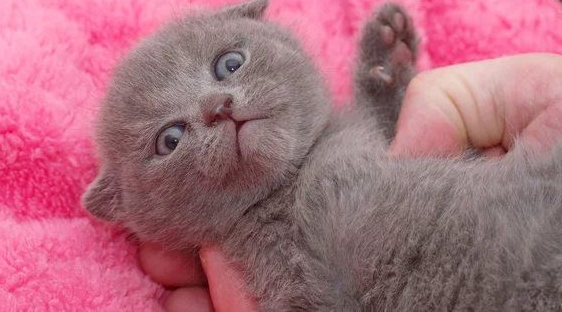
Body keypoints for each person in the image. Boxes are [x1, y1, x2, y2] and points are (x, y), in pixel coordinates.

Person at [138, 53, 562, 312]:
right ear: (125, 203)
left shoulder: (337, 131)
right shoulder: (257, 237)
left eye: (229, 64)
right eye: (170, 139)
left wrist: (384, 108)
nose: (217, 104)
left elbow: (406, 158)